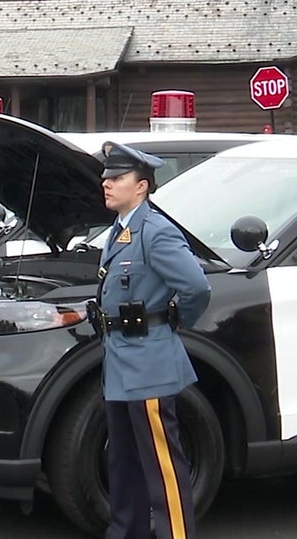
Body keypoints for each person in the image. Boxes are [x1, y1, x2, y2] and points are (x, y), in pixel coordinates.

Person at [94, 141, 211, 539]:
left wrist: (170, 325)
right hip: (120, 363)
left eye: (117, 177)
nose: (106, 183)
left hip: (148, 362)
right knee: (123, 462)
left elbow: (196, 288)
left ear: (141, 186)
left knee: (162, 465)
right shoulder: (118, 231)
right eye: (106, 176)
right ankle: (126, 532)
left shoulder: (156, 231)